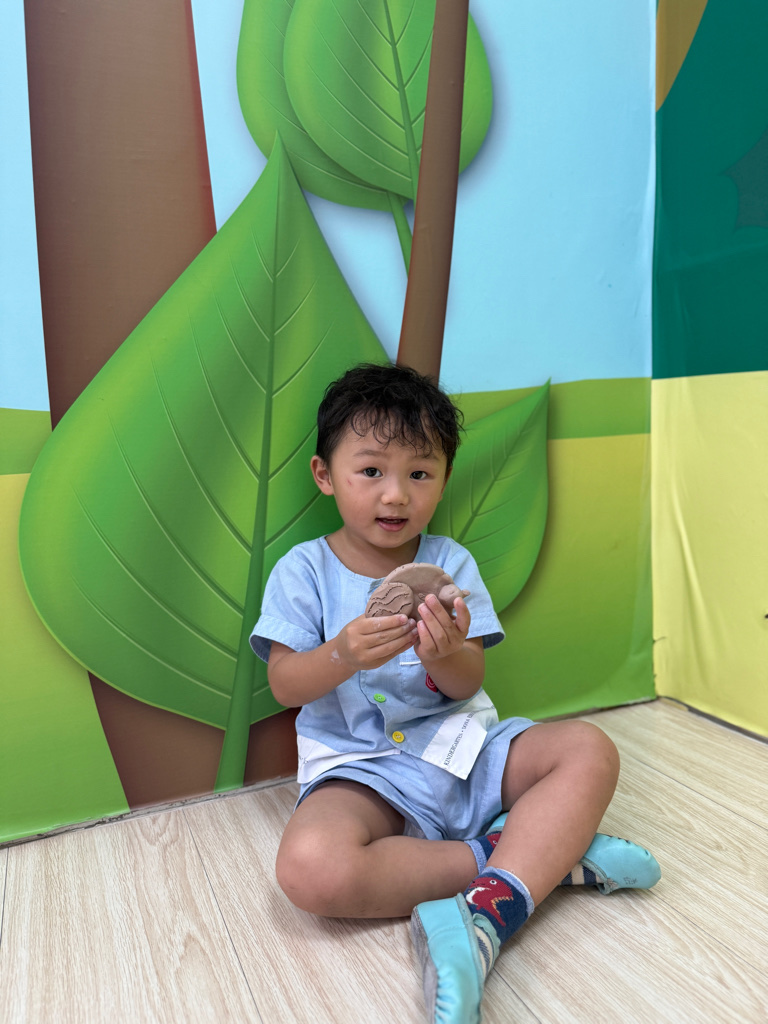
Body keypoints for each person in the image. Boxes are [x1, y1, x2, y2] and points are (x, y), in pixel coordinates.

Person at [250, 362, 660, 1023]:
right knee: (309, 868)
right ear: (325, 475)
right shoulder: (304, 570)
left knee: (589, 748)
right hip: (364, 773)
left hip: (468, 751)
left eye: (420, 474)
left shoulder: (449, 564)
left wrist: (444, 653)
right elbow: (283, 683)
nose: (395, 495)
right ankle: (527, 858)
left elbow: (471, 679)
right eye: (371, 471)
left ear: (443, 479)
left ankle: (495, 902)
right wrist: (341, 653)